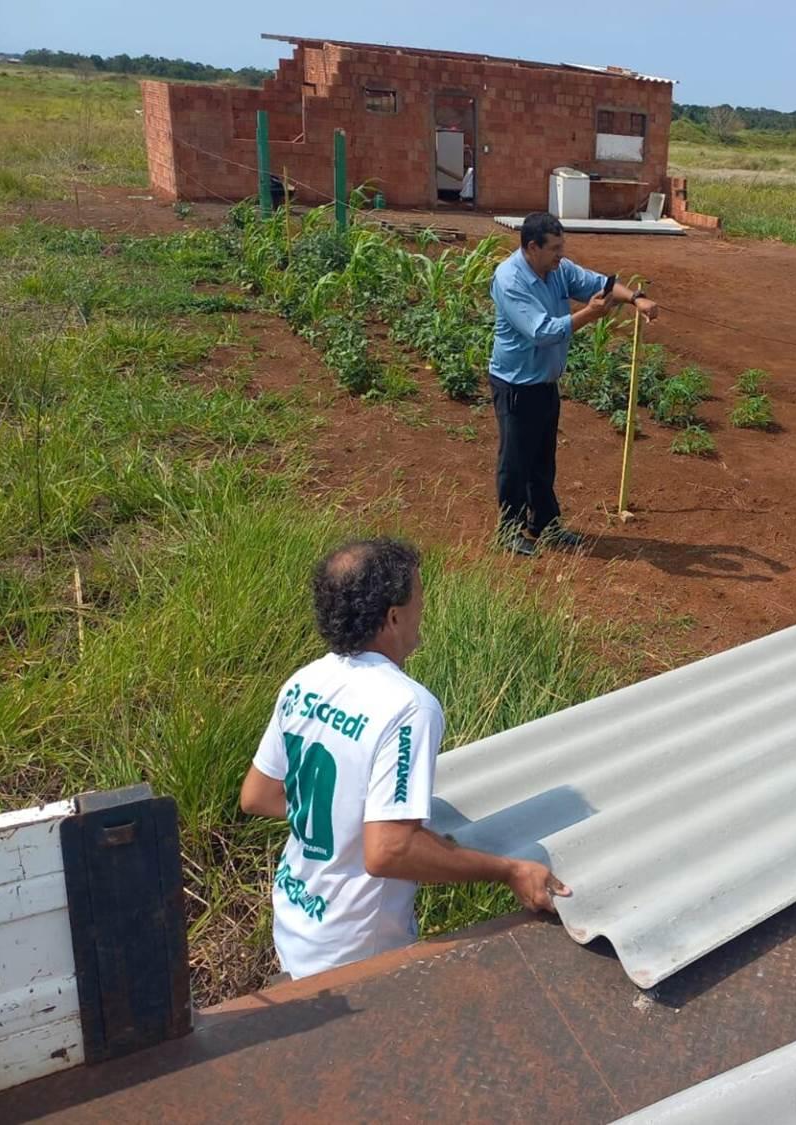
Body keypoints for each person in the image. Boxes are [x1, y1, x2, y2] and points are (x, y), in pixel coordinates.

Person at [239, 537, 570, 980]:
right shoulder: (408, 707)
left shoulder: (304, 682)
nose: (423, 609)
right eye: (419, 597)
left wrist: (346, 822)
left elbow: (258, 795)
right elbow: (389, 851)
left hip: (296, 926)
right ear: (393, 617)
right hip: (357, 954)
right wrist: (508, 870)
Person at [488, 211, 658, 556]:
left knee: (543, 459)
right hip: (516, 385)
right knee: (515, 462)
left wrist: (636, 298)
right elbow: (541, 332)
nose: (561, 255)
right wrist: (590, 314)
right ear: (532, 247)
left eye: (562, 247)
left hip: (544, 383)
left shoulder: (557, 270)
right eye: (554, 248)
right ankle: (509, 530)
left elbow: (599, 283)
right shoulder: (510, 280)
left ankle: (545, 525)